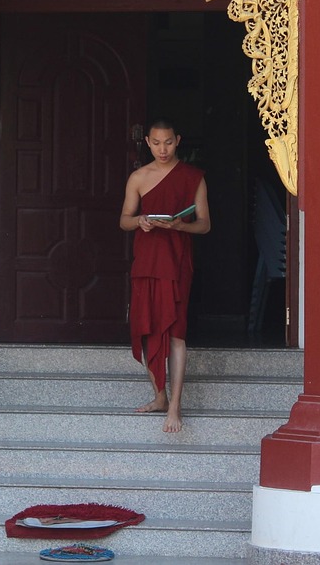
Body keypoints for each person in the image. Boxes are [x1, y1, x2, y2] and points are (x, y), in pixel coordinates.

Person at [119, 118, 210, 433]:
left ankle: (175, 405)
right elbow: (124, 220)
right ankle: (159, 395)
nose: (162, 149)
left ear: (178, 140)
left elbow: (204, 224)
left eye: (168, 142)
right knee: (146, 328)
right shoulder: (139, 178)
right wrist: (140, 221)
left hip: (176, 262)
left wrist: (180, 226)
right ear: (147, 142)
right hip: (146, 261)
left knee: (175, 332)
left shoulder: (193, 177)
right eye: (156, 143)